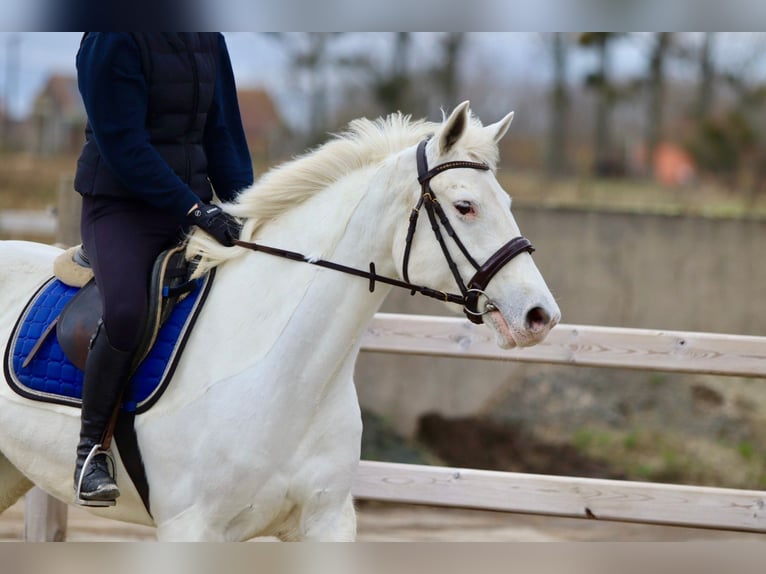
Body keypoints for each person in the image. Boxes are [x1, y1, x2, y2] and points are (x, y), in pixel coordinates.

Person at [72, 32, 254, 505]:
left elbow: (223, 134)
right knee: (129, 310)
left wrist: (247, 209)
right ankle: (91, 450)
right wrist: (195, 211)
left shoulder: (207, 37)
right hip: (119, 206)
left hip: (193, 204)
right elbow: (123, 145)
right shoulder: (112, 35)